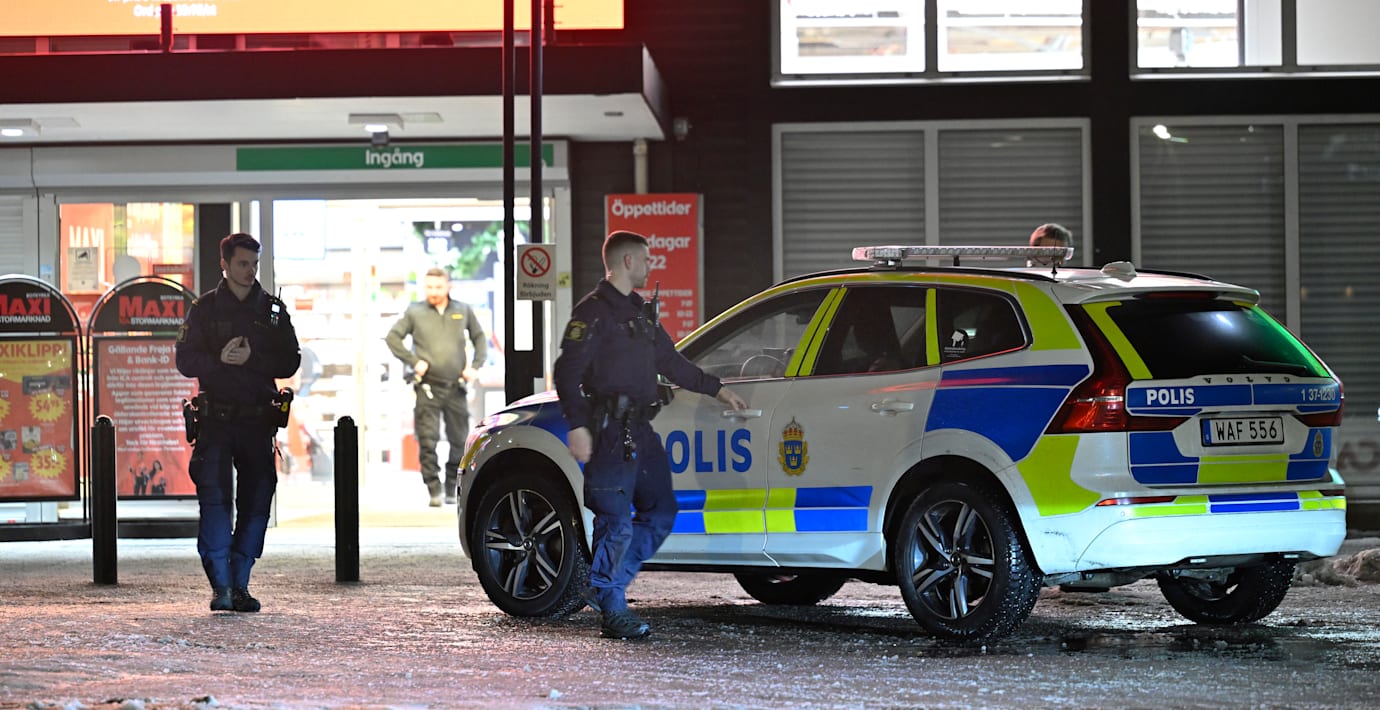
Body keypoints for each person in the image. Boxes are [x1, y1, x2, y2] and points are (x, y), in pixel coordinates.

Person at [553, 230, 748, 640]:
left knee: (661, 512)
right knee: (615, 521)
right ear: (627, 261)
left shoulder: (641, 313)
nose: (649, 266)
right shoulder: (593, 313)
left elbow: (672, 364)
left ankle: (606, 586)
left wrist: (717, 389)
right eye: (645, 259)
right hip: (609, 432)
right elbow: (566, 373)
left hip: (641, 430)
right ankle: (613, 607)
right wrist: (578, 426)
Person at [176, 232, 301, 613]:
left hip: (257, 420)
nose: (250, 271)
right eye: (243, 264)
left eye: (254, 264)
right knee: (214, 501)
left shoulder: (272, 310)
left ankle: (240, 582)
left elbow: (290, 360)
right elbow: (185, 360)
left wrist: (252, 359)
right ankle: (222, 587)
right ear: (225, 265)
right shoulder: (204, 309)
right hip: (216, 420)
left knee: (257, 502)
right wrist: (220, 360)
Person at [386, 267, 487, 507]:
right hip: (427, 387)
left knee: (459, 440)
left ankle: (452, 487)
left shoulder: (462, 310)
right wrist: (413, 361)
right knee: (427, 440)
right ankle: (433, 488)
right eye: (429, 287)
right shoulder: (415, 311)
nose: (433, 292)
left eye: (438, 287)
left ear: (448, 286)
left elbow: (479, 338)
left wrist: (475, 366)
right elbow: (392, 337)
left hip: (456, 387)